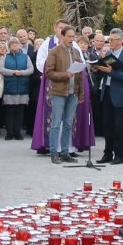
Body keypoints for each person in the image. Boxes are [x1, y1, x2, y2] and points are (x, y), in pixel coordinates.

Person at [42, 27, 80, 163]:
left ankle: (65, 152)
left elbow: (79, 71)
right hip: (59, 92)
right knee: (56, 123)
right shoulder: (54, 52)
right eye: (69, 36)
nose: (71, 39)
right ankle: (53, 153)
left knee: (69, 123)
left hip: (73, 92)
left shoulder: (76, 52)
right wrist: (65, 75)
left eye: (73, 36)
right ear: (62, 37)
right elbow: (49, 73)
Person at [97, 31, 123, 165]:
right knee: (107, 125)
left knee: (118, 126)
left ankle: (119, 155)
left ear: (120, 40)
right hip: (106, 92)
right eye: (109, 39)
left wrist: (111, 72)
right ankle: (107, 153)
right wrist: (98, 68)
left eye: (113, 39)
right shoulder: (108, 54)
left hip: (120, 94)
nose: (110, 42)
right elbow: (105, 72)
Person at [0, 38, 33, 142]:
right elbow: (1, 69)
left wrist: (22, 72)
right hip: (10, 87)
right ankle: (9, 133)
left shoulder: (25, 57)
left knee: (20, 111)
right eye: (12, 44)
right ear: (9, 46)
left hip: (23, 87)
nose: (14, 45)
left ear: (19, 45)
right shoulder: (5, 57)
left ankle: (17, 133)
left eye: (16, 44)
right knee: (10, 111)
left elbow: (31, 69)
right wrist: (12, 72)